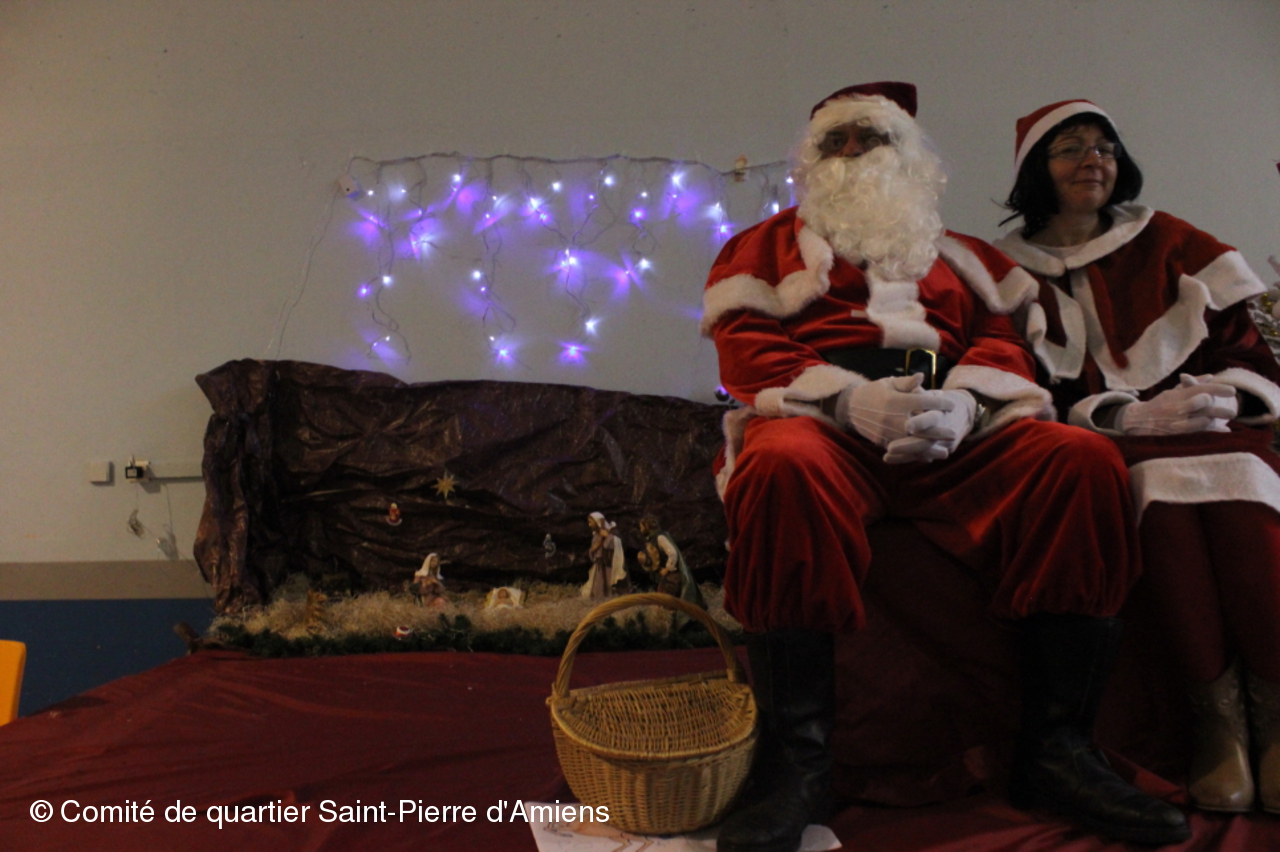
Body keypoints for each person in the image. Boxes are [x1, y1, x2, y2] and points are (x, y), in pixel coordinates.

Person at [703, 82, 1190, 852]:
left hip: (955, 433)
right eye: (837, 141)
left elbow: (1002, 339)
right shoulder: (759, 248)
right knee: (781, 464)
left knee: (1080, 460)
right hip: (822, 426)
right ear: (810, 160)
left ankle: (1057, 751)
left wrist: (967, 401)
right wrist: (845, 400)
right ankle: (798, 764)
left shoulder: (964, 256)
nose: (854, 154)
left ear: (910, 156)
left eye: (872, 138)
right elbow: (745, 346)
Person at [995, 98, 1280, 815]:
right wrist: (1119, 414)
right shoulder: (1008, 272)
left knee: (1241, 483)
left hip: (1214, 428)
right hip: (1102, 443)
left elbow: (1250, 357)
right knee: (1158, 491)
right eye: (1070, 148)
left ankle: (1274, 719)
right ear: (1036, 169)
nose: (1092, 160)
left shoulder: (1174, 243)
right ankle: (1217, 724)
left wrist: (1223, 396)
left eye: (1104, 147)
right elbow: (1016, 383)